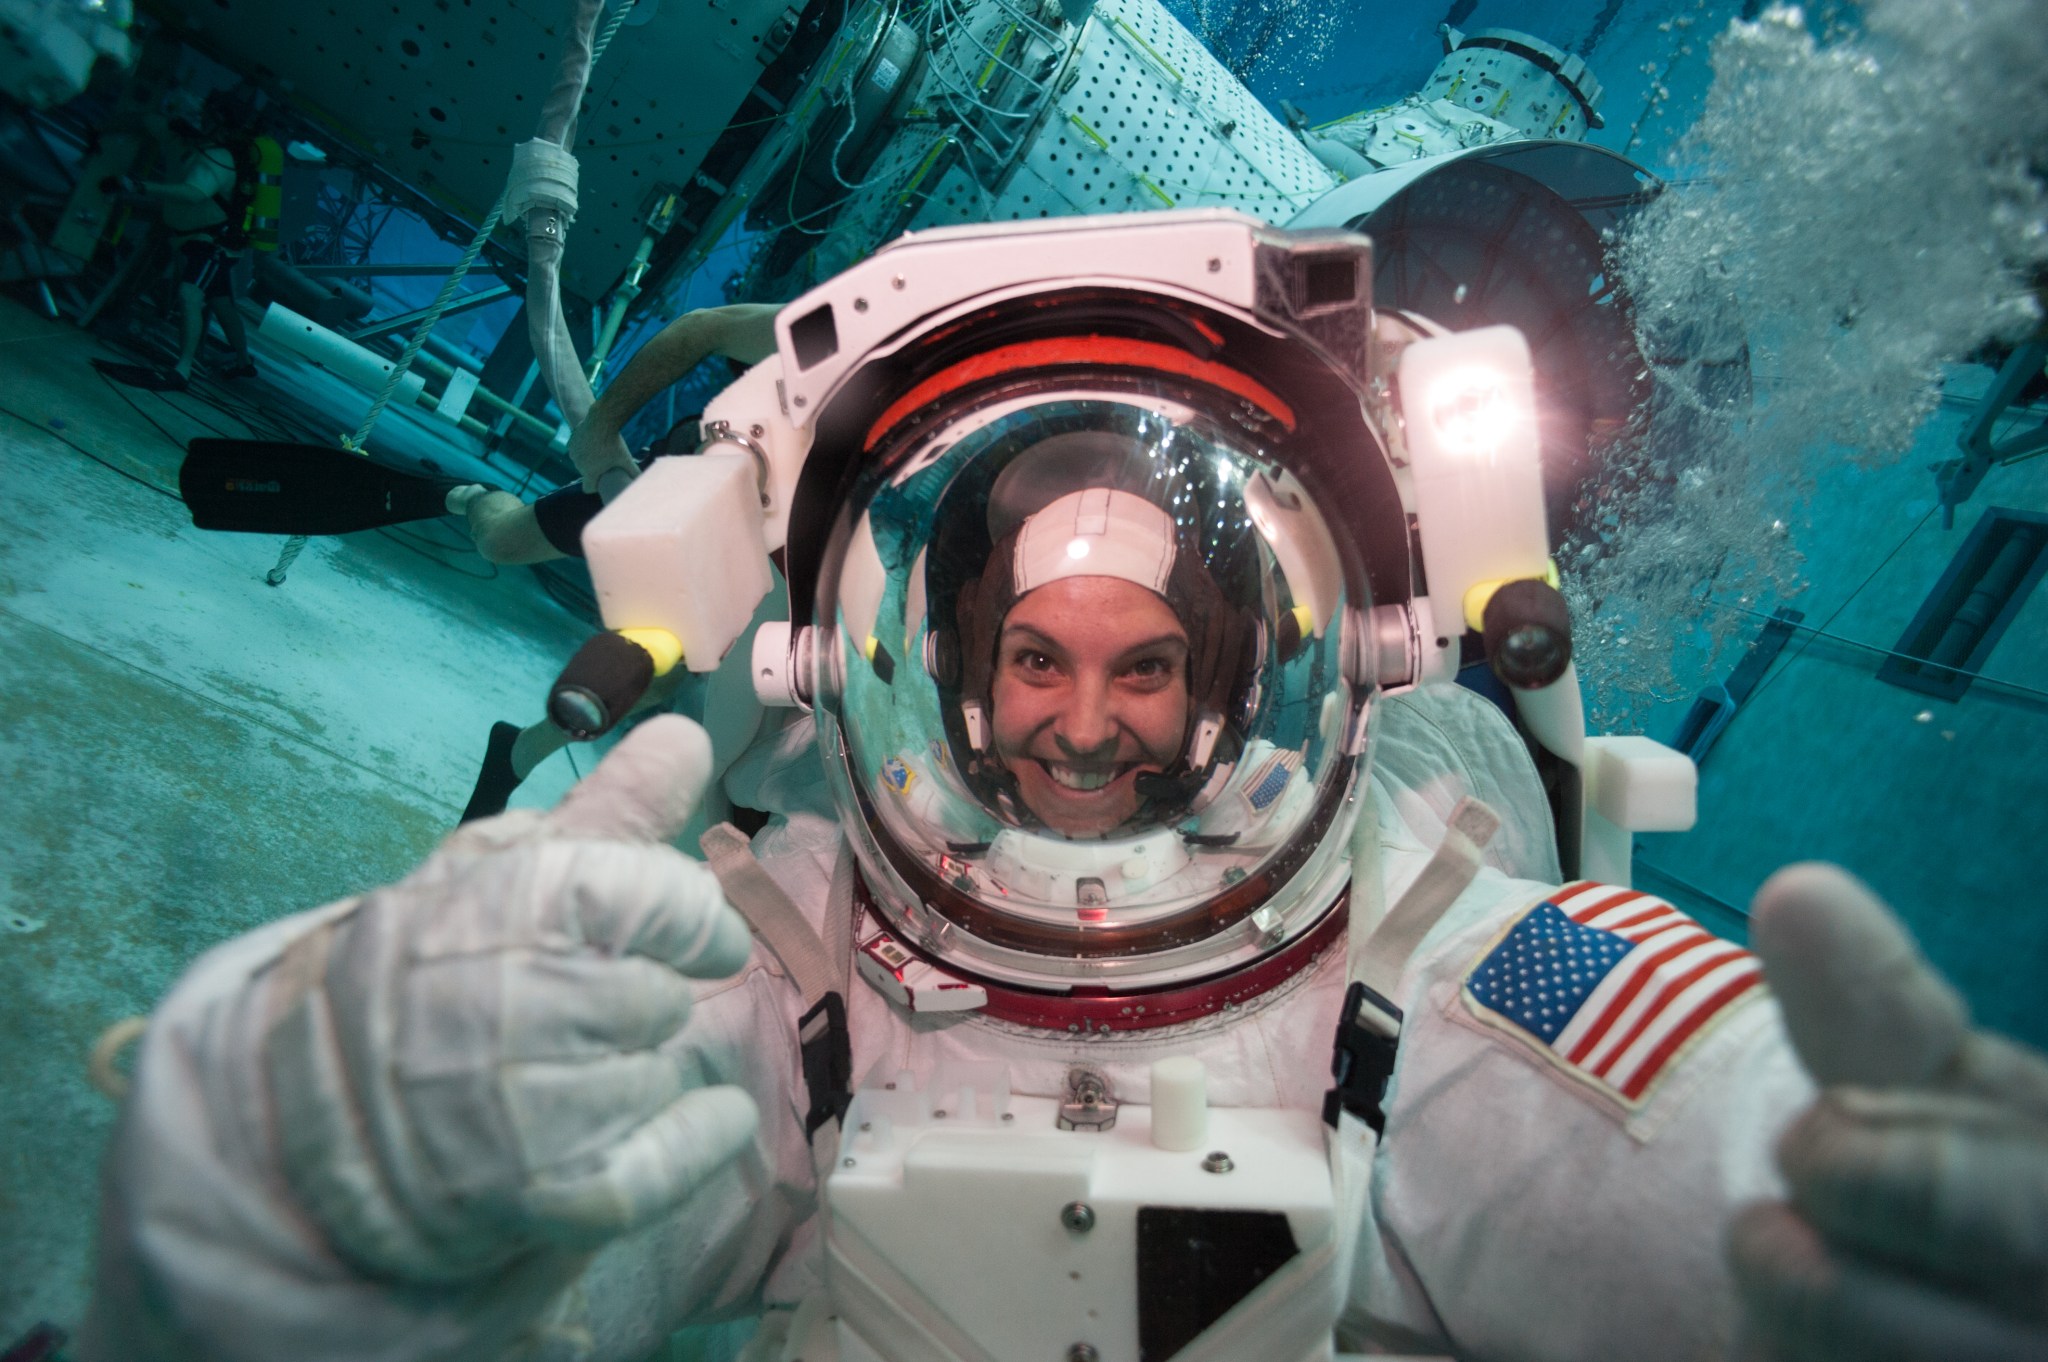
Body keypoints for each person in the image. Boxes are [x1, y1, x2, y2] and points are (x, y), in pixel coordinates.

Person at [78, 220, 2048, 1362]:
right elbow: (600, 1179)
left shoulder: (1481, 973)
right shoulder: (849, 944)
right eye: (1038, 657)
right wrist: (282, 1197)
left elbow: (1691, 1115)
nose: (1086, 733)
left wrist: (1851, 1208)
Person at [452, 302, 779, 823]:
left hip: (761, 540)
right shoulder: (872, 327)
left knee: (659, 676)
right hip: (679, 479)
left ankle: (515, 755)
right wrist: (602, 428)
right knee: (500, 544)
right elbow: (703, 327)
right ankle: (469, 497)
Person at [95, 91, 265, 391]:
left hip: (210, 243)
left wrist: (138, 186)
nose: (201, 117)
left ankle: (181, 370)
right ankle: (243, 362)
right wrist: (105, 128)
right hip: (202, 239)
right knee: (221, 302)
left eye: (207, 113)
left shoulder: (219, 158)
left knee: (190, 294)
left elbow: (194, 193)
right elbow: (150, 122)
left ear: (219, 121)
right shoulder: (200, 146)